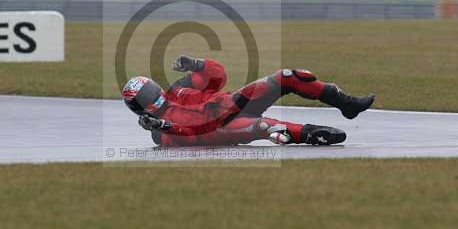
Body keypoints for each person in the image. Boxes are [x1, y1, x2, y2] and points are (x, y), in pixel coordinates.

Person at [121, 55, 375, 147]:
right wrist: (161, 126)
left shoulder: (179, 88)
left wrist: (196, 64)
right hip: (220, 129)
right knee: (266, 128)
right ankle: (309, 134)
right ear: (138, 107)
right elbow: (187, 135)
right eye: (144, 97)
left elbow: (218, 76)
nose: (152, 96)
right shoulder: (157, 130)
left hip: (231, 103)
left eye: (150, 89)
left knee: (287, 76)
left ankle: (348, 104)